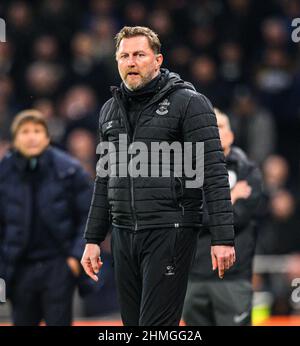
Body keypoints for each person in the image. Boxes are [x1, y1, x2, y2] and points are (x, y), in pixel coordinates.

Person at [81, 26, 236, 326]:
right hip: (123, 232)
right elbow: (104, 179)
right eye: (124, 56)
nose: (131, 62)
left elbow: (214, 171)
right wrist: (93, 239)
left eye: (139, 54)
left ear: (158, 60)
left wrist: (223, 237)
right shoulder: (108, 111)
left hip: (171, 229)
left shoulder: (190, 103)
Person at [0, 110, 92, 326]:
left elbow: (89, 215)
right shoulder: (4, 173)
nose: (31, 137)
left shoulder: (69, 170)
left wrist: (74, 259)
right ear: (15, 138)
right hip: (19, 268)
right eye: (25, 131)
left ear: (47, 137)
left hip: (59, 264)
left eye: (37, 131)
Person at [183, 109, 262, 326]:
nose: (214, 132)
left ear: (231, 134)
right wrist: (231, 197)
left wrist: (209, 209)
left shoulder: (248, 170)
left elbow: (240, 217)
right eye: (209, 127)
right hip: (193, 275)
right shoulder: (186, 172)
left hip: (233, 277)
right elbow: (189, 214)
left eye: (219, 126)